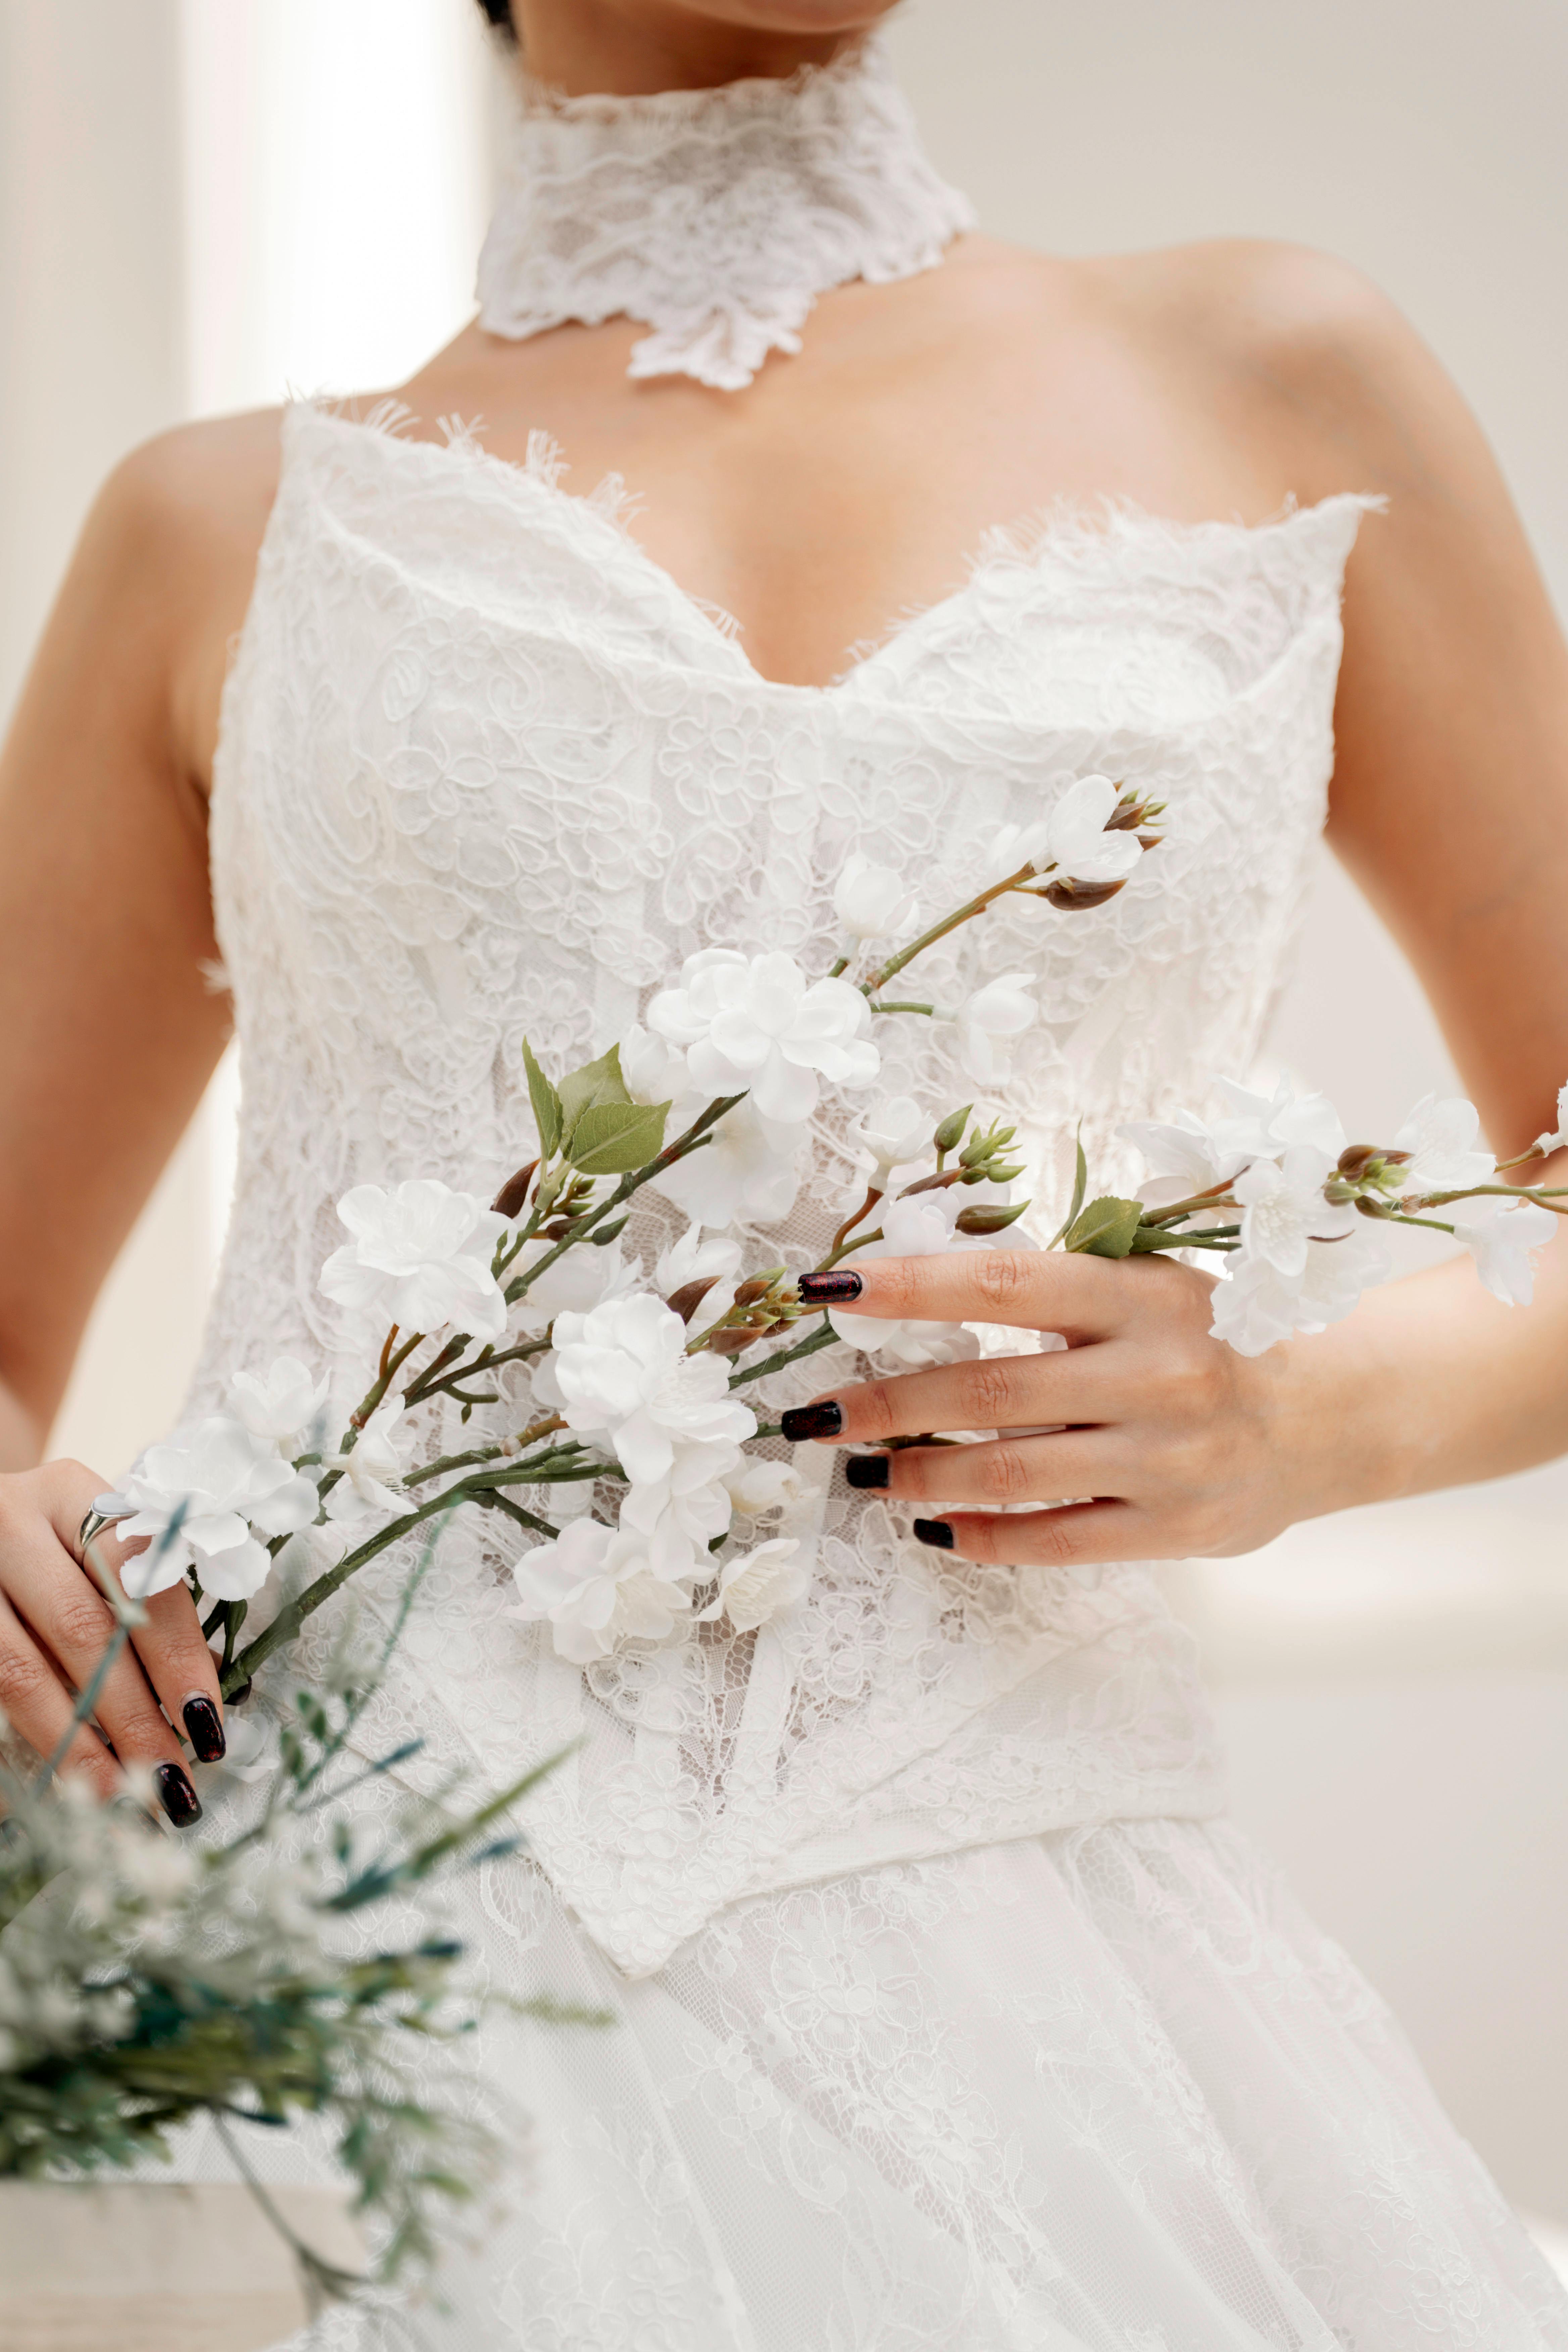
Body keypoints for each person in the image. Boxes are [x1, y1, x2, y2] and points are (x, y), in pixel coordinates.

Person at [1, 1, 1566, 2342]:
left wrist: (1308, 1416)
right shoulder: (216, 531)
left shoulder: (1280, 373)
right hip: (330, 1950)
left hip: (1044, 1960)